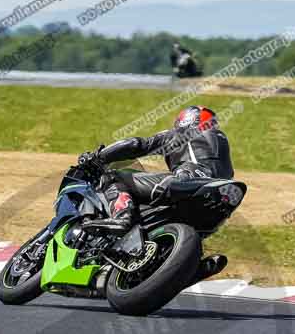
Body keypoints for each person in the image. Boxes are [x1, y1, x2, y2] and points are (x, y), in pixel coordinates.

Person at [78, 105, 234, 280]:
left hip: (187, 182)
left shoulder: (184, 133)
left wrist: (98, 157)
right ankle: (192, 268)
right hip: (218, 199)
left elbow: (136, 145)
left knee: (114, 177)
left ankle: (121, 216)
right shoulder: (221, 143)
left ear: (186, 120)